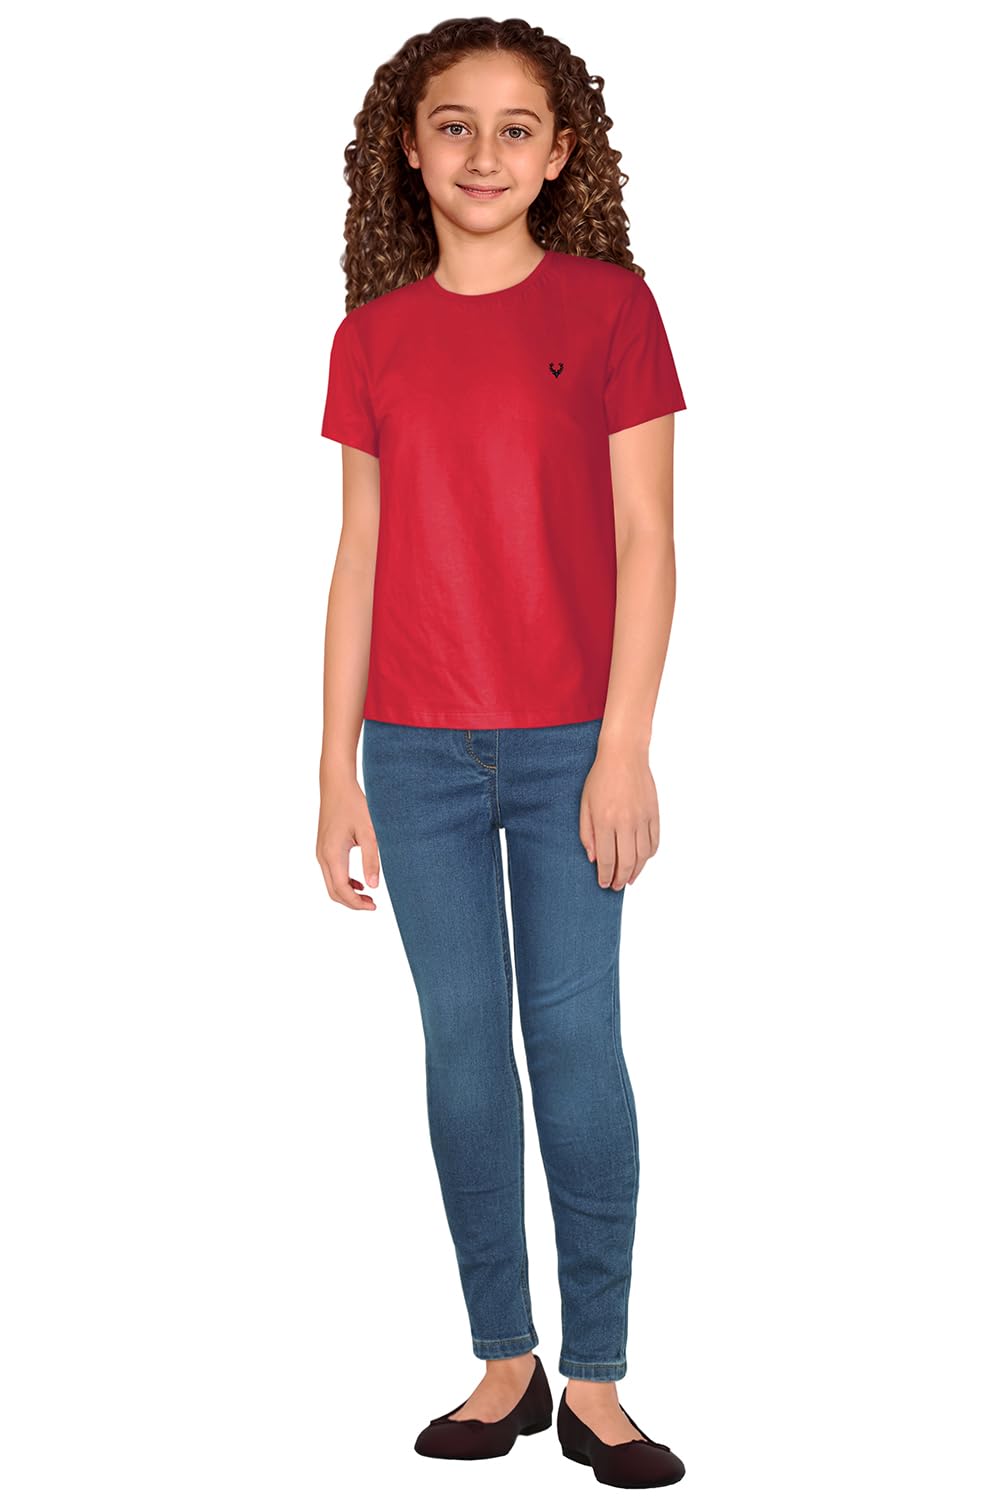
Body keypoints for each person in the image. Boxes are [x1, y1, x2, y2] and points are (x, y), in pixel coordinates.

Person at [315, 18, 687, 1488]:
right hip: (412, 754)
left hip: (567, 750)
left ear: (560, 152)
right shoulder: (371, 337)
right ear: (408, 152)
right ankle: (504, 1360)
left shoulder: (610, 309)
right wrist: (333, 769)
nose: (483, 153)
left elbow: (650, 537)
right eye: (452, 126)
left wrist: (624, 747)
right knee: (464, 1053)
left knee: (577, 1047)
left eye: (514, 127)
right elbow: (358, 555)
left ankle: (597, 1378)